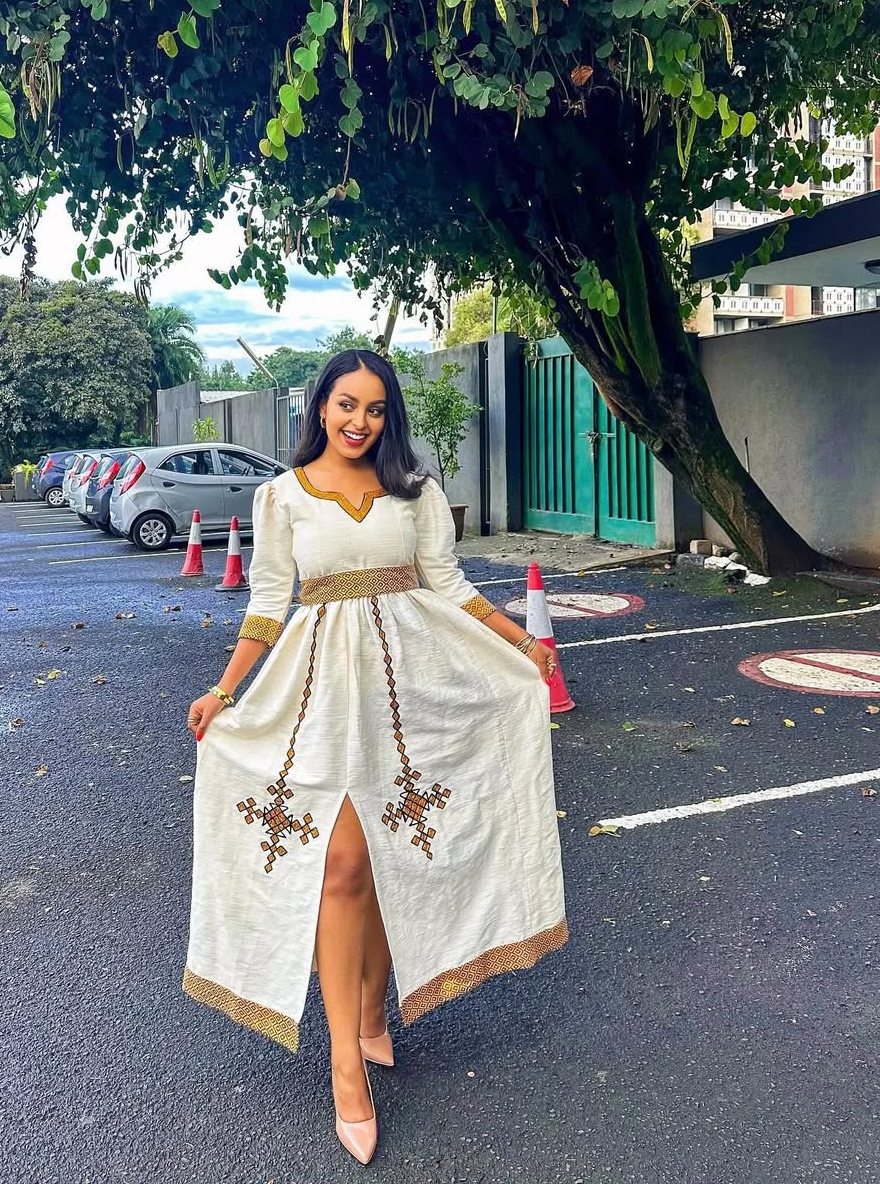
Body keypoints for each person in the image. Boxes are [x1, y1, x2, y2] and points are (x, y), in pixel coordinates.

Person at [185, 350, 566, 1165]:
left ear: (388, 417)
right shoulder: (283, 496)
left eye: (376, 408)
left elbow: (448, 585)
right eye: (346, 404)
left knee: (395, 850)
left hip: (411, 692)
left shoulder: (414, 491)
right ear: (320, 407)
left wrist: (520, 643)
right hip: (319, 693)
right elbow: (268, 604)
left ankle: (369, 1011)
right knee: (344, 865)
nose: (360, 421)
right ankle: (345, 1064)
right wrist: (223, 690)